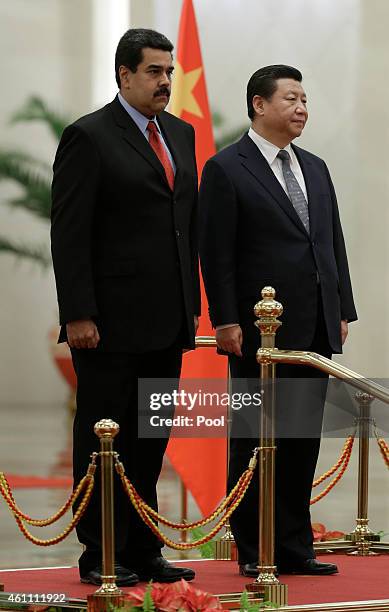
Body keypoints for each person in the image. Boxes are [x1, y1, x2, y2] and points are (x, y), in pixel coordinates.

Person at [51, 28, 200, 586]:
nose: (166, 81)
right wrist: (78, 313)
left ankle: (144, 549)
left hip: (167, 321)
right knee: (104, 439)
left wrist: (192, 304)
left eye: (169, 71)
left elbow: (184, 228)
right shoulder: (88, 136)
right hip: (108, 325)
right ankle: (100, 552)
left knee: (151, 439)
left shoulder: (181, 136)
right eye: (155, 71)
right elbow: (70, 233)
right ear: (125, 75)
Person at [199, 65, 357, 576]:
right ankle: (254, 546)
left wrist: (342, 309)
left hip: (312, 326)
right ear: (258, 105)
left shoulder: (315, 166)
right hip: (256, 332)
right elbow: (216, 253)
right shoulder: (227, 168)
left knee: (301, 439)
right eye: (291, 98)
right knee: (256, 438)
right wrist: (225, 319)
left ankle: (294, 545)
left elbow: (331, 243)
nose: (302, 108)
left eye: (306, 99)